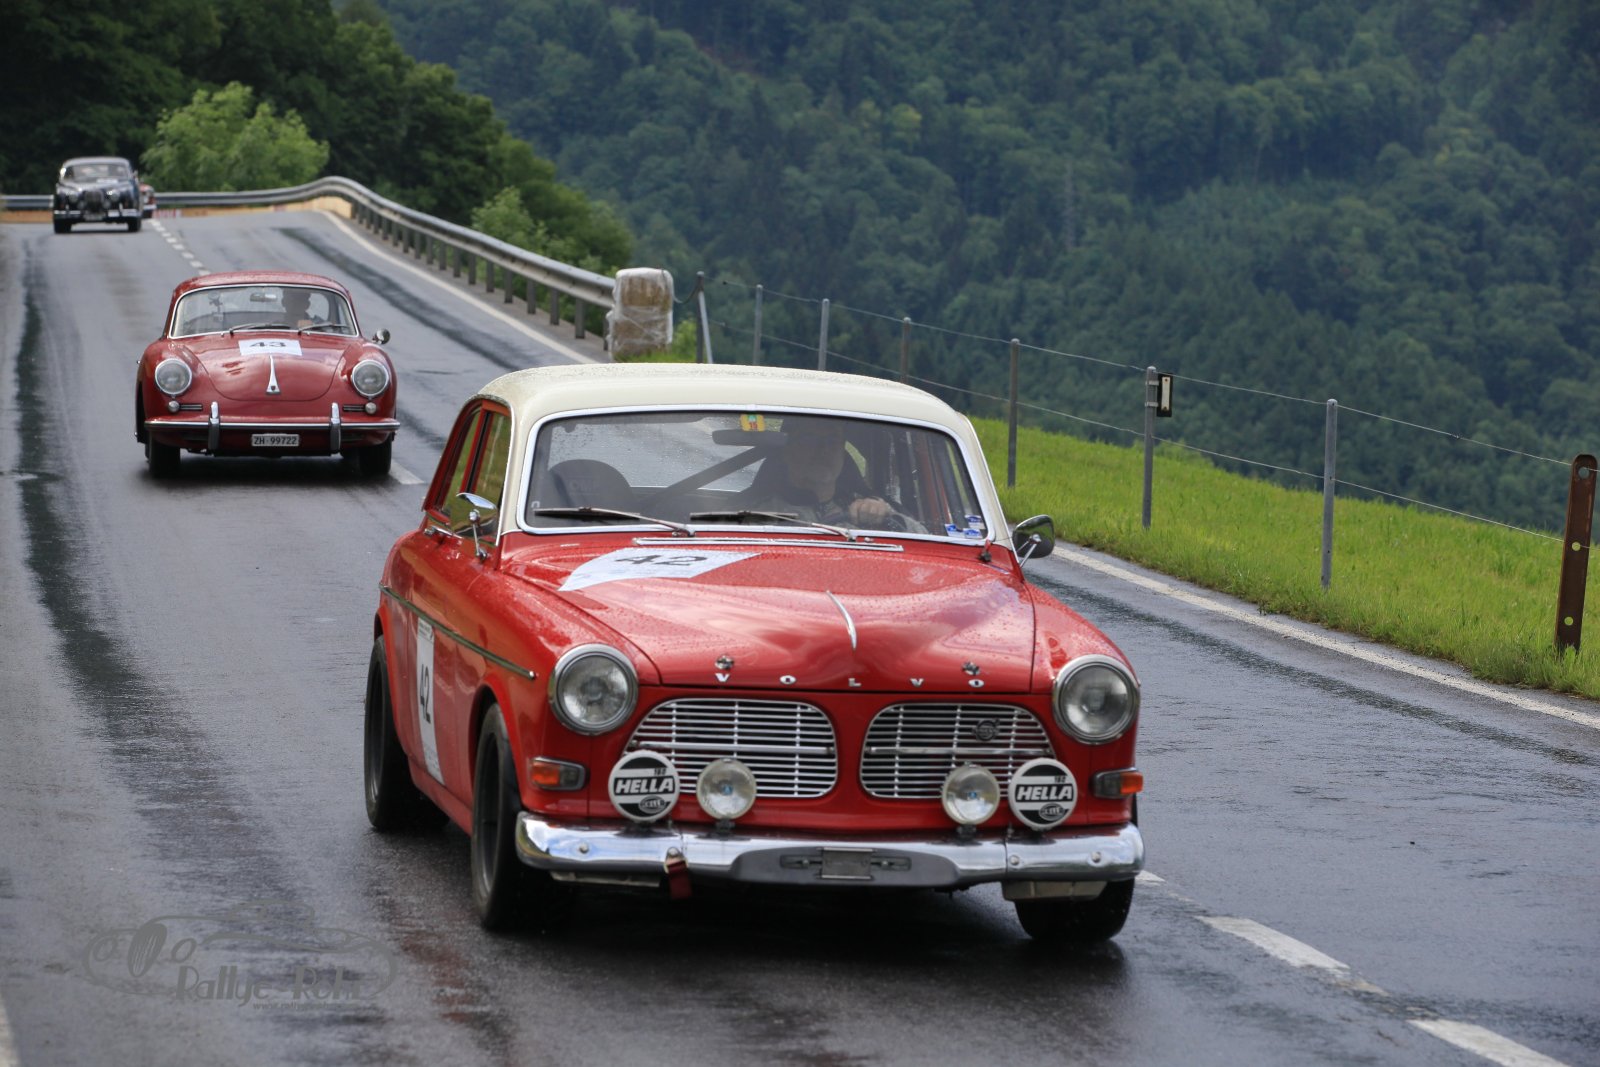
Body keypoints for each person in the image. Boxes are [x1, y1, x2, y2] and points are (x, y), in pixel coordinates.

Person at [742, 417, 922, 531]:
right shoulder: (752, 511)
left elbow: (926, 543)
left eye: (832, 440)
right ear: (787, 451)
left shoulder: (871, 509)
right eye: (809, 439)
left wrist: (888, 518)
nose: (824, 450)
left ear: (842, 451)